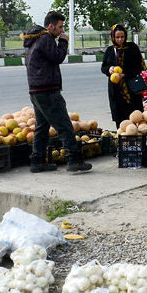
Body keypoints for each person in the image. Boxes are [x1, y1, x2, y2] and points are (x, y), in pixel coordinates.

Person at [21, 11, 92, 173]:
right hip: (47, 90)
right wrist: (63, 42)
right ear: (50, 25)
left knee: (42, 126)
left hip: (35, 90)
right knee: (64, 125)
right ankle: (74, 159)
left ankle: (37, 161)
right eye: (59, 27)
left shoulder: (33, 40)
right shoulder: (45, 38)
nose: (61, 30)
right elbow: (58, 57)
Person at [101, 23, 146, 128]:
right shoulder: (109, 51)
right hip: (116, 90)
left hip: (132, 88)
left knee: (136, 117)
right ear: (113, 37)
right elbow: (103, 67)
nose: (120, 40)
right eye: (117, 37)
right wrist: (109, 69)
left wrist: (124, 74)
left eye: (122, 37)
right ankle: (122, 139)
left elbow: (138, 67)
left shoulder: (132, 48)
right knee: (120, 119)